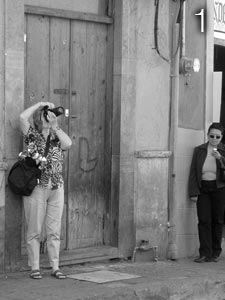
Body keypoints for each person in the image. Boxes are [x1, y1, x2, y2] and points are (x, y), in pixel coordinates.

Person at [19, 101, 72, 279]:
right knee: (34, 229)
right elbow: (22, 117)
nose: (47, 116)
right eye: (45, 114)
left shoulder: (58, 137)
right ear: (39, 119)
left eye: (49, 114)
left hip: (57, 187)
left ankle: (55, 267)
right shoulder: (32, 135)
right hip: (37, 187)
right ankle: (35, 267)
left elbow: (69, 144)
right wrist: (40, 105)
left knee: (54, 230)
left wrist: (55, 126)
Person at [188, 122, 225, 263]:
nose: (214, 139)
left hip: (219, 189)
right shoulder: (200, 150)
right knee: (204, 220)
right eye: (212, 136)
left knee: (218, 220)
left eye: (218, 136)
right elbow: (193, 172)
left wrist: (220, 158)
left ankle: (215, 252)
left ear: (221, 138)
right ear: (207, 135)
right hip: (203, 188)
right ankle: (204, 253)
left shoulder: (223, 150)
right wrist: (193, 192)